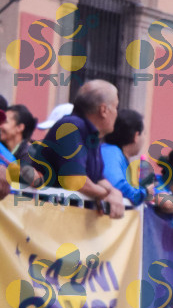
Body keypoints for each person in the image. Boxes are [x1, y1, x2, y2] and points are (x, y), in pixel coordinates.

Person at [27, 81, 124, 218]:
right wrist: (105, 194)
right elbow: (75, 180)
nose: (117, 113)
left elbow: (97, 178)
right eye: (116, 107)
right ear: (103, 110)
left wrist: (114, 192)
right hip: (47, 219)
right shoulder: (71, 127)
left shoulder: (91, 134)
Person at [102, 108, 152, 207]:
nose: (144, 138)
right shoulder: (111, 152)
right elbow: (117, 185)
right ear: (136, 136)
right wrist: (144, 192)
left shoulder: (116, 154)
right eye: (144, 133)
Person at [0, 101, 39, 185]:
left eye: (5, 122)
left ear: (19, 127)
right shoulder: (4, 150)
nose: (0, 126)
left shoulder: (29, 155)